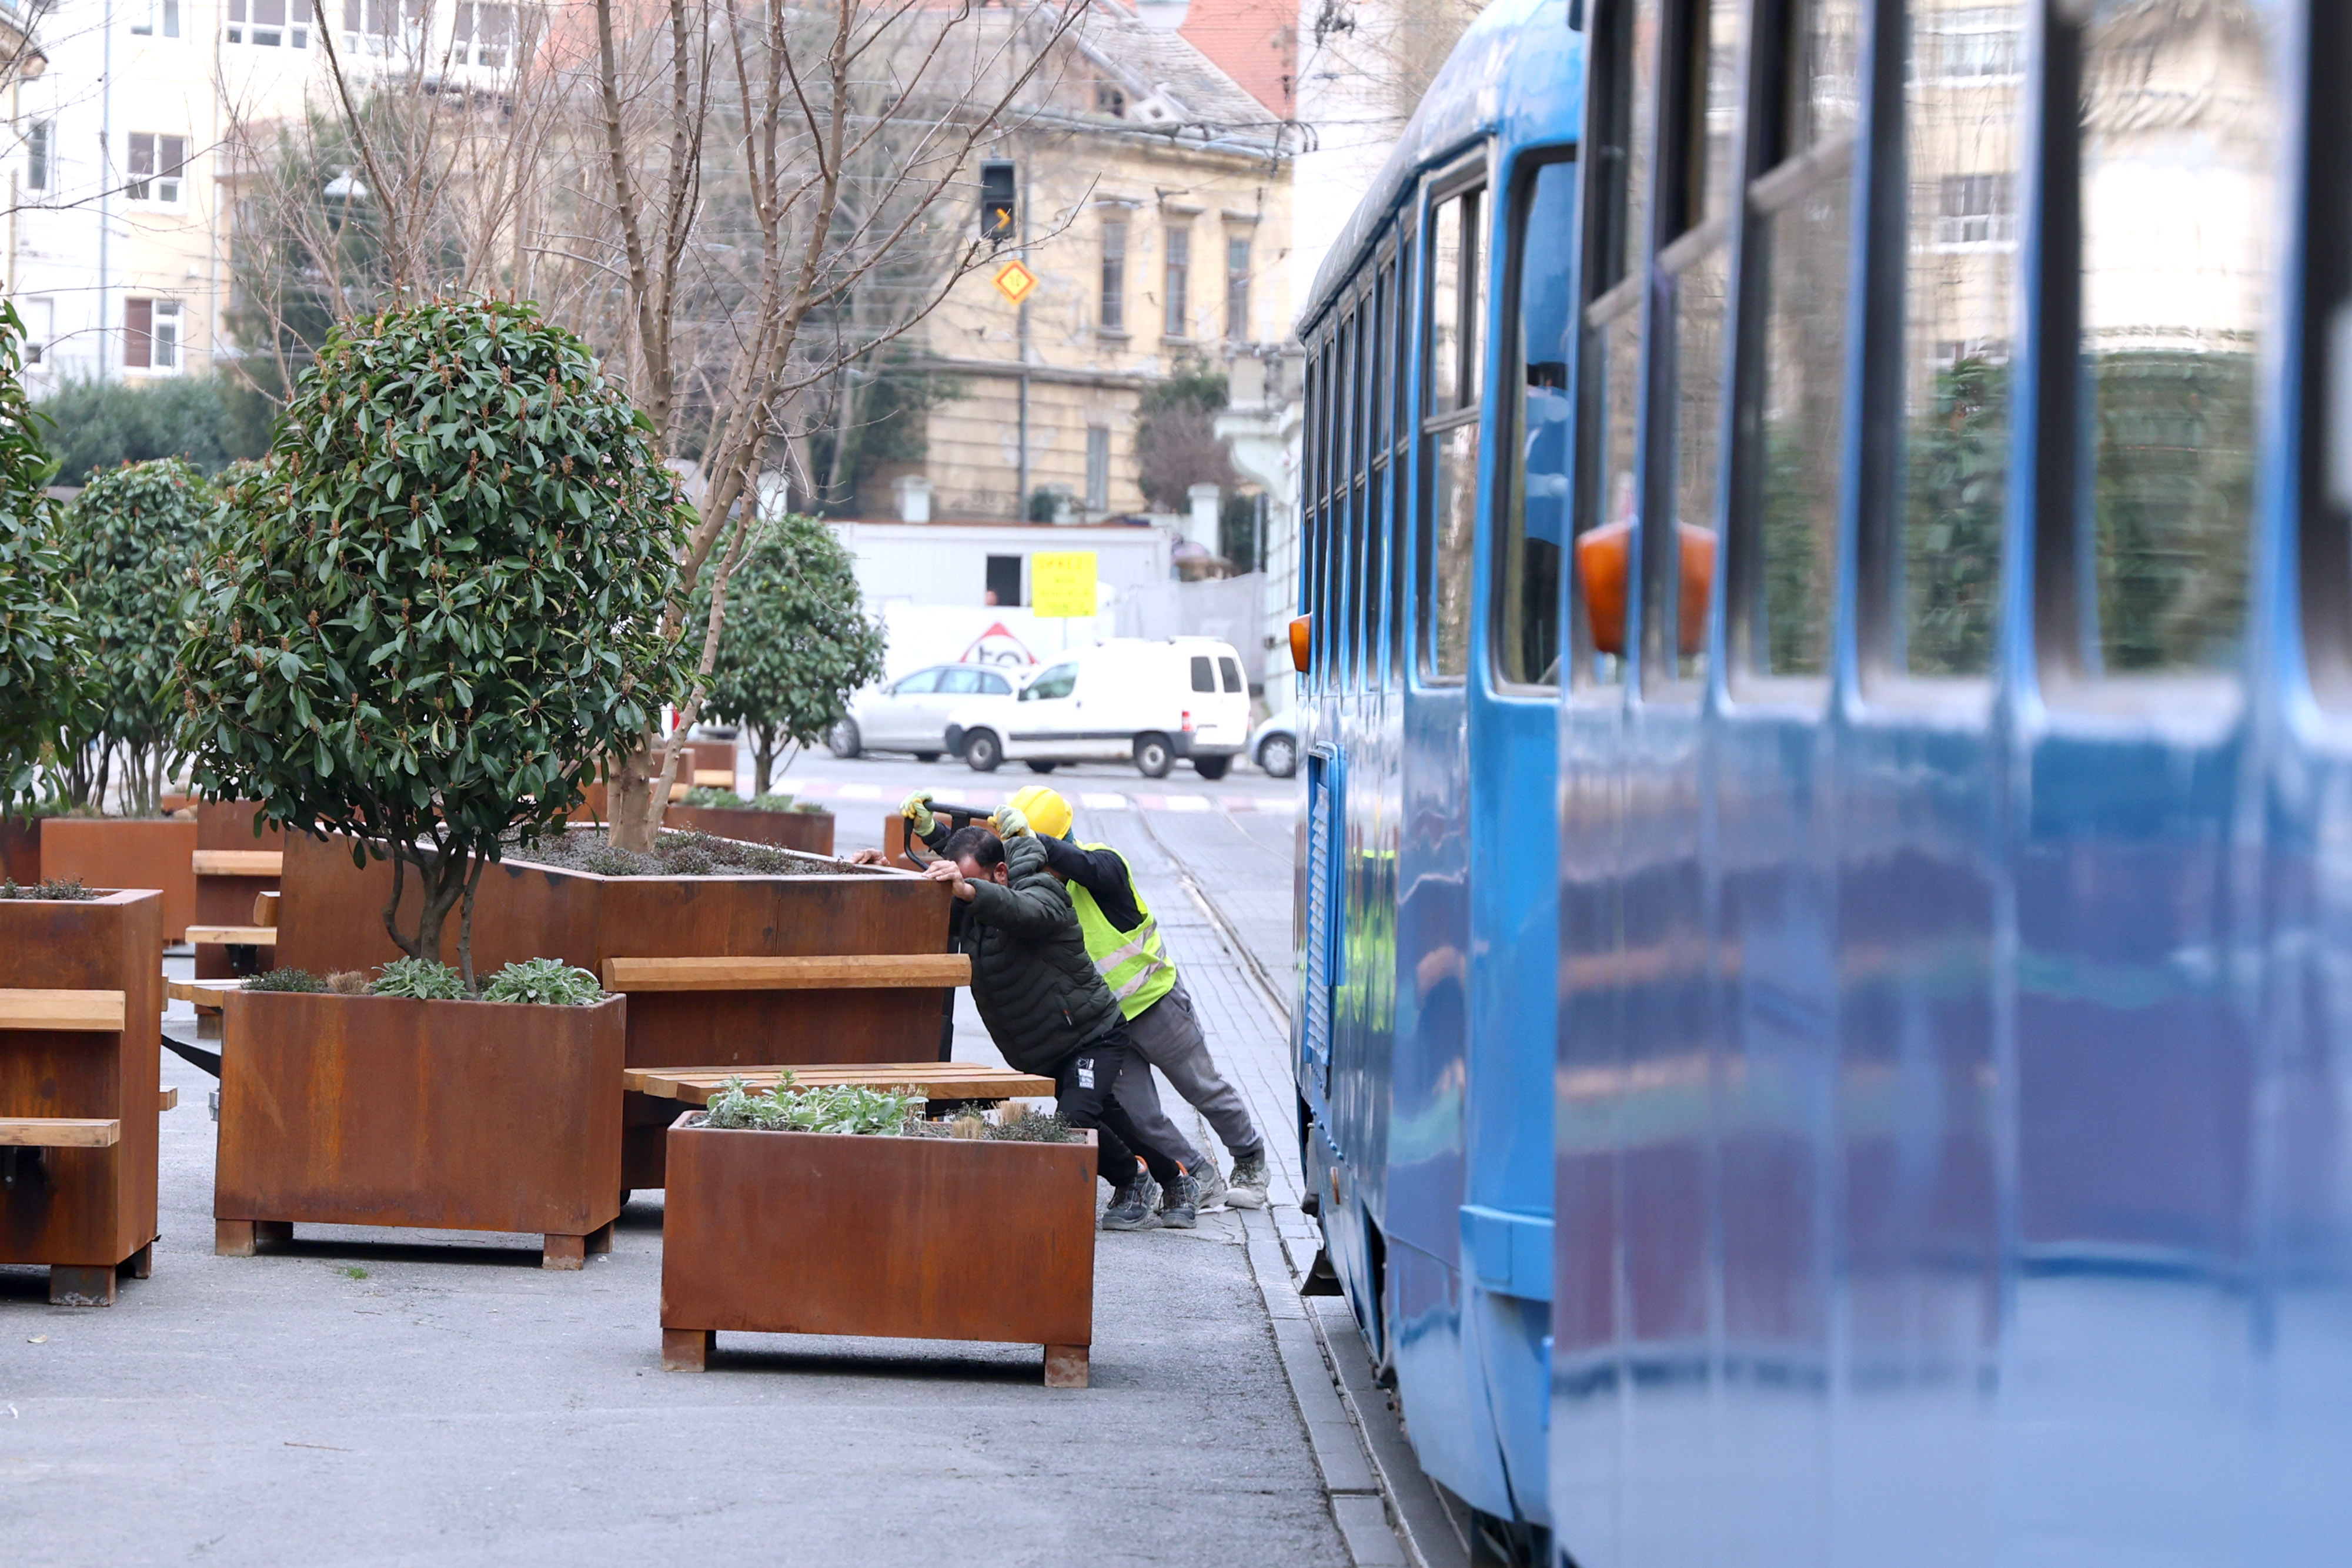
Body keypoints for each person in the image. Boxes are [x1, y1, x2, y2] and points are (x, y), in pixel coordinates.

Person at [892, 785, 1271, 1213]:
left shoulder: (1097, 864)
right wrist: (934, 835)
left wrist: (1035, 843)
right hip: (1092, 1023)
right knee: (1140, 1116)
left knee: (1202, 1087)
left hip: (1149, 1002)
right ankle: (1194, 1174)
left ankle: (1249, 1159)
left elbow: (1053, 872)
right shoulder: (1020, 879)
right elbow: (980, 871)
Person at [924, 817, 1198, 1231]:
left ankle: (1132, 1179)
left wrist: (967, 891)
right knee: (1112, 1122)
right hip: (1047, 1047)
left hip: (1092, 1034)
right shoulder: (970, 907)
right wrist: (884, 870)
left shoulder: (1043, 889)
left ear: (1000, 872)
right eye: (958, 886)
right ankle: (1174, 1177)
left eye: (971, 882)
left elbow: (1025, 912)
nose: (962, 894)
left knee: (1072, 1123)